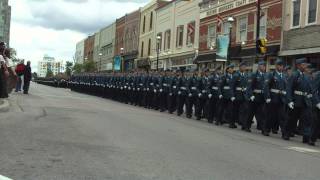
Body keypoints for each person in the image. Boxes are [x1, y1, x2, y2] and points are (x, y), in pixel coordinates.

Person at [284, 58, 313, 144]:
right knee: (292, 119)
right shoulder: (294, 75)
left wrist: (309, 97)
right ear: (298, 65)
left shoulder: (306, 76)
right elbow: (289, 88)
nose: (305, 66)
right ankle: (287, 133)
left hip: (304, 102)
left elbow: (309, 89)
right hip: (296, 101)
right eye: (303, 65)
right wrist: (290, 101)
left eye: (305, 65)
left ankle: (306, 137)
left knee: (306, 120)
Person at [263, 59, 287, 136]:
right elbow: (266, 86)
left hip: (281, 99)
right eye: (279, 65)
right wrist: (267, 97)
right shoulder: (271, 74)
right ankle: (266, 129)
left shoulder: (284, 76)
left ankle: (284, 133)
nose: (281, 67)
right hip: (273, 98)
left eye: (282, 65)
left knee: (282, 116)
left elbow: (286, 87)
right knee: (270, 116)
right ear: (276, 66)